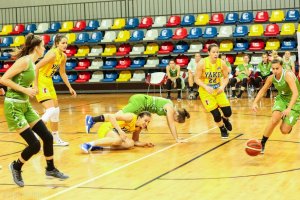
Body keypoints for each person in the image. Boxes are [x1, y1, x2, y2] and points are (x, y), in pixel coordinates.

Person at [0, 34, 68, 187]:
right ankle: (16, 166)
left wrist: (33, 87)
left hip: (25, 105)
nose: (45, 48)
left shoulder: (33, 62)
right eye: (43, 46)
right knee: (35, 145)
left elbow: (29, 77)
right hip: (13, 107)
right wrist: (25, 89)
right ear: (37, 48)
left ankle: (50, 169)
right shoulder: (24, 61)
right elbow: (3, 79)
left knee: (48, 137)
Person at [85, 94, 190, 143]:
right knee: (117, 116)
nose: (174, 121)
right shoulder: (170, 108)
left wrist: (176, 137)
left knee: (137, 125)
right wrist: (176, 139)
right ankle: (92, 119)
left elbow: (169, 123)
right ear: (176, 115)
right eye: (176, 120)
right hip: (140, 102)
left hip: (142, 106)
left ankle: (111, 137)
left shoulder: (170, 107)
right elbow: (171, 124)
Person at [34, 34, 77, 146]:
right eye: (63, 43)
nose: (65, 45)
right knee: (50, 109)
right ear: (57, 43)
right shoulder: (52, 54)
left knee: (56, 111)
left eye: (66, 43)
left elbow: (62, 72)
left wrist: (70, 87)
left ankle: (56, 138)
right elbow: (36, 67)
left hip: (49, 81)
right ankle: (35, 132)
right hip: (41, 80)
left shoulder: (63, 56)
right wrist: (35, 85)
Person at [252, 59, 300, 153]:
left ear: (282, 67)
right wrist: (255, 102)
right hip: (281, 99)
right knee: (274, 120)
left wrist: (289, 108)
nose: (275, 71)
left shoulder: (287, 76)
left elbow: (295, 93)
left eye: (277, 68)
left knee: (284, 130)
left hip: (296, 101)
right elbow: (263, 90)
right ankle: (262, 143)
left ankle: (287, 124)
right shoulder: (271, 78)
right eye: (273, 69)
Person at [194, 43, 232, 139]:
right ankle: (222, 129)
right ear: (208, 53)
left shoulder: (222, 63)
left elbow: (226, 77)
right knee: (216, 114)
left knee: (228, 112)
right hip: (206, 92)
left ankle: (225, 119)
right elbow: (196, 79)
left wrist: (222, 86)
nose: (216, 54)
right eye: (213, 52)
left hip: (218, 90)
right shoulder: (202, 63)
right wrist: (205, 86)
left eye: (217, 52)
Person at [81, 111, 153, 153]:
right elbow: (111, 116)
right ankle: (88, 144)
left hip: (115, 133)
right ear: (139, 117)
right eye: (145, 120)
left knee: (130, 143)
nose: (146, 124)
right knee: (118, 140)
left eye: (148, 122)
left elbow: (135, 141)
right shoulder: (131, 117)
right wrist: (120, 131)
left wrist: (144, 144)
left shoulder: (139, 127)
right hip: (108, 127)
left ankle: (100, 146)